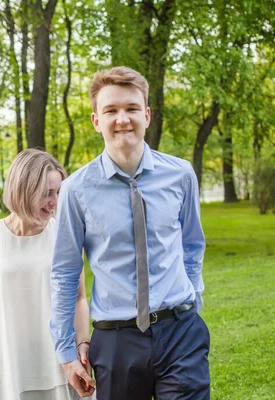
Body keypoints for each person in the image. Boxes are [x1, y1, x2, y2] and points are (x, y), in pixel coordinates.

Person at [50, 66, 209, 399]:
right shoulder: (75, 190)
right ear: (96, 120)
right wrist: (66, 353)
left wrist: (193, 297)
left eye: (132, 109)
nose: (122, 119)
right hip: (117, 341)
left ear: (147, 115)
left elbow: (192, 243)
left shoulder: (180, 175)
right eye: (111, 110)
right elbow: (65, 272)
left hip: (180, 333)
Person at [0, 149, 93, 400]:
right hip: (15, 366)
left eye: (58, 192)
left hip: (63, 363)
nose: (55, 202)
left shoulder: (67, 234)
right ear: (23, 189)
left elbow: (80, 298)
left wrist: (83, 344)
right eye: (47, 193)